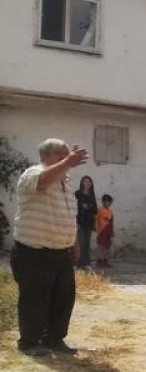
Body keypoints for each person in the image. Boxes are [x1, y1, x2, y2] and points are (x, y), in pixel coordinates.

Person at [10, 138, 89, 357]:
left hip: (59, 251)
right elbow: (42, 183)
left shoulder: (65, 181)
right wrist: (67, 163)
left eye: (67, 154)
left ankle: (54, 339)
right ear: (45, 156)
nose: (65, 158)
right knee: (35, 298)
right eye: (60, 154)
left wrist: (73, 241)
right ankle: (29, 342)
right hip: (33, 251)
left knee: (63, 297)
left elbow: (68, 214)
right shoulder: (33, 173)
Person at [73, 175, 97, 269]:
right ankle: (78, 263)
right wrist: (75, 222)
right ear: (82, 183)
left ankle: (87, 263)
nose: (87, 183)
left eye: (89, 182)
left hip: (89, 223)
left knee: (87, 243)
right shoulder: (77, 194)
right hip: (80, 222)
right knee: (80, 243)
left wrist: (95, 223)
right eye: (85, 181)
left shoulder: (92, 195)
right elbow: (73, 208)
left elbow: (95, 210)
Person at [95, 194, 115, 268]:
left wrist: (112, 232)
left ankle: (105, 260)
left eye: (109, 202)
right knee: (101, 247)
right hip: (101, 232)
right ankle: (99, 260)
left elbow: (111, 222)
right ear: (103, 202)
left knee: (106, 247)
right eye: (106, 201)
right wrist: (95, 228)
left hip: (108, 232)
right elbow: (96, 220)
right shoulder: (100, 211)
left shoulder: (110, 212)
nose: (108, 203)